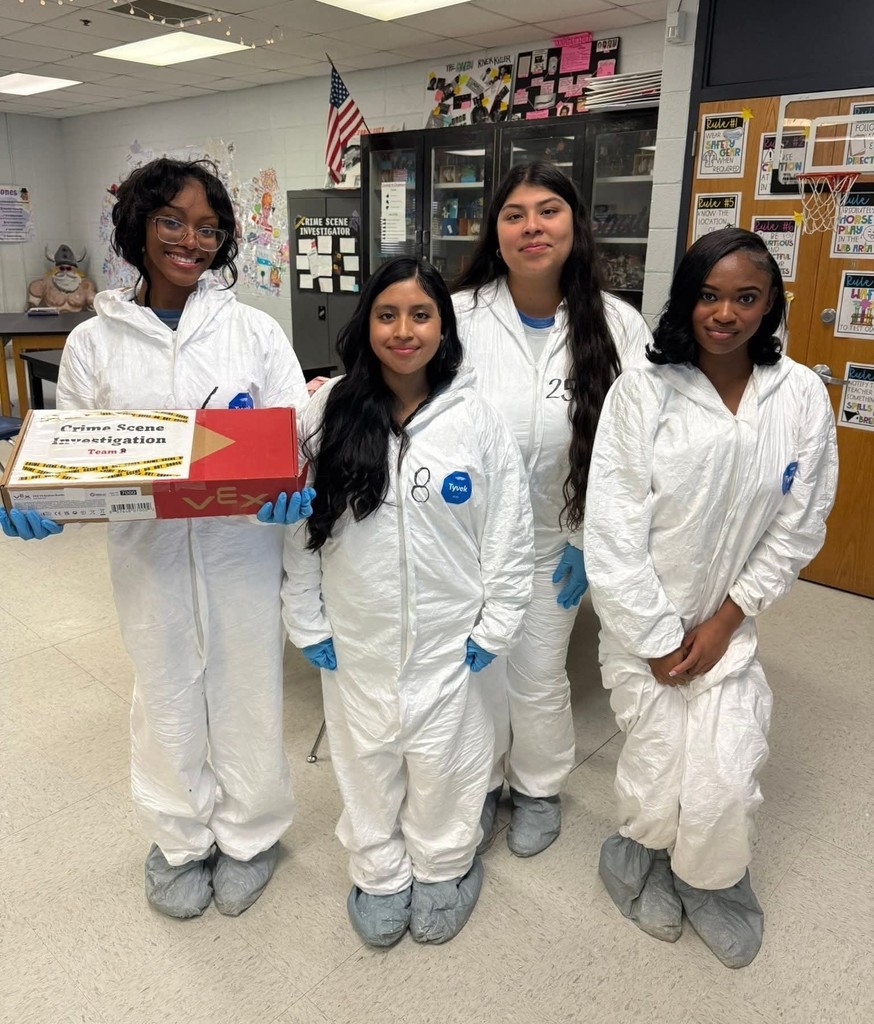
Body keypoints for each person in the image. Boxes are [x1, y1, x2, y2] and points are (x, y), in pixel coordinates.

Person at [1, 157, 312, 919]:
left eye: (207, 228)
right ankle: (178, 839)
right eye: (172, 221)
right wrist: (39, 502)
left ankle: (250, 835)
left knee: (246, 692)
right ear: (138, 227)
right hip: (149, 559)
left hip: (244, 552)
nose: (190, 241)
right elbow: (67, 453)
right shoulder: (94, 345)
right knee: (166, 693)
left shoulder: (255, 332)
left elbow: (294, 436)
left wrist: (294, 491)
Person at [584, 228, 838, 968]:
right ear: (686, 298)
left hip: (728, 629)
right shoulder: (645, 390)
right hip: (644, 630)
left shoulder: (799, 398)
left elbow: (800, 523)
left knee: (725, 777)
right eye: (708, 294)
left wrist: (728, 620)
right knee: (659, 774)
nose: (724, 313)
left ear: (770, 306)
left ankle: (713, 882)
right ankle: (635, 854)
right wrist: (660, 636)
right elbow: (613, 527)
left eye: (745, 297)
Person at [281, 256, 534, 947]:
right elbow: (300, 526)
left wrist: (499, 620)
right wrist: (306, 618)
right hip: (356, 637)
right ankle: (378, 871)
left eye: (421, 315)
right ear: (366, 325)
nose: (403, 330)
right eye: (387, 315)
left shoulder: (475, 419)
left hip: (452, 642)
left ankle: (446, 866)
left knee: (447, 763)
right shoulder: (326, 410)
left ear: (444, 330)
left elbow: (510, 530)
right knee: (365, 762)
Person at [452, 161, 653, 857]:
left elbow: (633, 450)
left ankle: (537, 788)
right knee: (474, 672)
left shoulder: (619, 325)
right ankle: (475, 786)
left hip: (554, 540)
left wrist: (586, 541)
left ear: (575, 225)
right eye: (514, 215)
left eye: (548, 211)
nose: (532, 226)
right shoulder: (457, 315)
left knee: (537, 672)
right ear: (496, 232)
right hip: (464, 537)